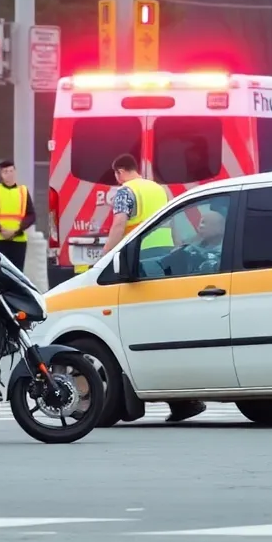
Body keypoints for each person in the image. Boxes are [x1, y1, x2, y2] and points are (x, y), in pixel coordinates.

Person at [101, 154, 204, 423]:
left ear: (120, 171)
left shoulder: (126, 191)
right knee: (163, 328)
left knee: (136, 328)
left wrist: (106, 253)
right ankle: (183, 402)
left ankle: (134, 399)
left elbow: (120, 223)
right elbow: (172, 221)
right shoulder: (158, 189)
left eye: (116, 175)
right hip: (166, 257)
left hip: (141, 260)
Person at [0, 159, 35, 270]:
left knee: (17, 273)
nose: (9, 174)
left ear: (15, 172)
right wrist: (0, 229)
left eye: (11, 171)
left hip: (18, 239)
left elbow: (31, 215)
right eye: (6, 172)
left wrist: (16, 231)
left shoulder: (23, 191)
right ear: (1, 174)